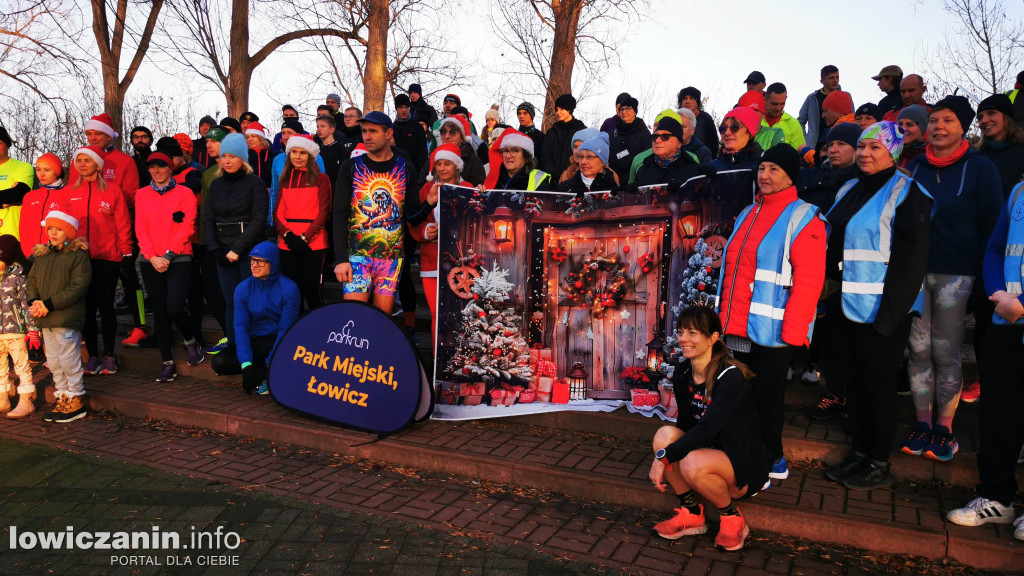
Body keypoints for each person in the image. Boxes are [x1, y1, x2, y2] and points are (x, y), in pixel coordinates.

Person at [820, 121, 933, 490]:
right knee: (856, 385)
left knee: (879, 388)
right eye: (864, 146)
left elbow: (911, 262)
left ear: (894, 153)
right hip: (847, 306)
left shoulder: (907, 192)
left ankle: (878, 461)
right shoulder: (849, 188)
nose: (866, 153)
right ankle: (860, 453)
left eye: (876, 148)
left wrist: (889, 319)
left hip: (885, 312)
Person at [717, 143, 827, 482]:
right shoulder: (748, 212)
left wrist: (795, 332)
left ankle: (772, 459)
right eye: (762, 168)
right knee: (740, 396)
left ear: (790, 176)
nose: (765, 175)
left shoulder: (804, 216)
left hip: (775, 331)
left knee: (767, 399)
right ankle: (746, 454)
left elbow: (809, 281)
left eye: (774, 170)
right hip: (738, 326)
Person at [900, 96, 1002, 461]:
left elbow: (993, 224)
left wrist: (989, 279)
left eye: (948, 120)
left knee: (945, 351)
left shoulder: (980, 167)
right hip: (915, 273)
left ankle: (945, 427)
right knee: (917, 350)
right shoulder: (913, 167)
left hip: (957, 275)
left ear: (963, 127)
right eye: (934, 121)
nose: (938, 127)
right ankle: (923, 423)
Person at [943, 179, 1024, 541]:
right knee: (999, 413)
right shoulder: (1020, 190)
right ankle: (997, 497)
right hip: (1006, 320)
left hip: (1015, 313)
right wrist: (998, 294)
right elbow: (995, 247)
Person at [649, 306, 767, 552]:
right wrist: (667, 451)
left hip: (741, 463)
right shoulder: (683, 371)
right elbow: (686, 424)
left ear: (713, 338)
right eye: (681, 332)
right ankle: (692, 512)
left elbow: (709, 427)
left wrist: (665, 457)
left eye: (693, 333)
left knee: (688, 460)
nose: (683, 339)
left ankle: (732, 518)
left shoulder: (730, 377)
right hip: (708, 452)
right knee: (664, 436)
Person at [333, 112, 416, 314]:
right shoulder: (351, 166)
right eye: (364, 131)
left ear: (389, 133)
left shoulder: (405, 168)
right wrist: (341, 259)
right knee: (352, 318)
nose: (367, 136)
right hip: (357, 257)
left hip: (391, 259)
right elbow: (339, 214)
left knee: (381, 323)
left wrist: (430, 203)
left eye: (373, 131)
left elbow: (412, 216)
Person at [135, 152, 206, 382]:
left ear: (170, 168)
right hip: (151, 259)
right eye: (152, 167)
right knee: (160, 312)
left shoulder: (185, 192)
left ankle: (190, 340)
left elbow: (187, 225)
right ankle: (167, 362)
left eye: (161, 167)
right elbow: (140, 229)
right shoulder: (142, 194)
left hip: (179, 256)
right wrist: (152, 256)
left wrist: (168, 254)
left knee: (175, 307)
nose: (156, 171)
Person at [64, 146, 132, 377]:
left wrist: (125, 253)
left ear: (98, 164)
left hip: (107, 258)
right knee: (86, 308)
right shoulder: (69, 193)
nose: (82, 164)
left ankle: (109, 355)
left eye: (87, 160)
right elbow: (63, 227)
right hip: (79, 259)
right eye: (78, 160)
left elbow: (123, 224)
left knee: (105, 306)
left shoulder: (113, 191)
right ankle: (92, 355)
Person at [203, 133, 268, 362]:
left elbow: (259, 220)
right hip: (222, 252)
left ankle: (255, 346)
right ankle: (233, 345)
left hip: (248, 252)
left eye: (232, 156)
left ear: (243, 158)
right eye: (224, 156)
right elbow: (207, 219)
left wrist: (237, 250)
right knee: (230, 301)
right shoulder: (216, 185)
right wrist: (215, 250)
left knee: (250, 301)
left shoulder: (255, 184)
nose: (227, 161)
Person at [27, 211, 92, 423]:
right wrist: (34, 302)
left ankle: (76, 396)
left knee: (69, 359)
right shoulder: (42, 255)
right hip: (46, 318)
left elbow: (78, 287)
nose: (53, 233)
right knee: (54, 361)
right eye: (50, 229)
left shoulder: (77, 256)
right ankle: (62, 395)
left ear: (69, 232)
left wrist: (49, 304)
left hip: (65, 317)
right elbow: (32, 281)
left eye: (59, 229)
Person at [212, 241, 300, 396]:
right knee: (219, 363)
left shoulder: (289, 289)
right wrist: (246, 366)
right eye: (252, 260)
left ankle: (269, 372)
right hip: (255, 340)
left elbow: (285, 330)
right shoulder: (243, 288)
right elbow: (240, 328)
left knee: (292, 353)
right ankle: (262, 369)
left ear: (272, 262)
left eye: (260, 261)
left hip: (278, 340)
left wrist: (267, 367)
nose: (254, 265)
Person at [410, 144, 466, 351]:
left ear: (457, 167)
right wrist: (426, 231)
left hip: (461, 262)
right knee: (436, 313)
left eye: (447, 164)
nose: (442, 169)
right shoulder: (427, 189)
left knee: (460, 312)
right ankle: (437, 362)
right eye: (439, 164)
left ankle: (458, 359)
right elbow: (413, 221)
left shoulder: (468, 187)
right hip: (431, 260)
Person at [274, 135, 331, 311]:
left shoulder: (321, 179)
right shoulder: (284, 179)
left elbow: (324, 212)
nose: (297, 157)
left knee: (313, 290)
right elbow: (277, 213)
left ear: (310, 156)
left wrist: (305, 238)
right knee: (292, 290)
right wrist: (288, 235)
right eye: (294, 152)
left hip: (314, 242)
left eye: (302, 153)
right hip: (288, 242)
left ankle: (317, 329)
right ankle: (294, 331)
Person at [67, 113, 140, 208]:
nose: (93, 138)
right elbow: (72, 190)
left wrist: (104, 207)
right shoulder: (79, 160)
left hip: (113, 216)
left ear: (109, 136)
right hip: (82, 217)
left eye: (98, 133)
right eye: (89, 134)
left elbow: (131, 196)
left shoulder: (125, 161)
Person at [0, 234, 36, 418]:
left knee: (22, 366)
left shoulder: (18, 279)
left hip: (16, 332)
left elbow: (26, 306)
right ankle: (2, 398)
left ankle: (26, 401)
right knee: (0, 367)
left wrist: (33, 329)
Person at [268, 119, 326, 227]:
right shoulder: (277, 160)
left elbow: (322, 193)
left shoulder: (316, 158)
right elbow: (274, 192)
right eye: (283, 133)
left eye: (289, 133)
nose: (285, 137)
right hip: (284, 221)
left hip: (310, 222)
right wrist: (272, 221)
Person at [975, 94, 1024, 200]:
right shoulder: (975, 156)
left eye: (991, 113)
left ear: (1007, 117)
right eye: (980, 117)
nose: (984, 120)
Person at [20, 154, 66, 260]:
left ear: (57, 171)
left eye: (47, 170)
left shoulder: (67, 194)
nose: (41, 174)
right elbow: (23, 228)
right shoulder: (30, 196)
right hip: (33, 255)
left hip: (59, 256)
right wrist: (29, 253)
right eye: (38, 169)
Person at [417, 115, 485, 187]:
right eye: (443, 131)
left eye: (453, 132)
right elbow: (420, 189)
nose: (447, 136)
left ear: (462, 137)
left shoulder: (473, 161)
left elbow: (478, 192)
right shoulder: (432, 159)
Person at [634, 116, 701, 187]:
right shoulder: (643, 171)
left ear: (679, 143)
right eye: (655, 136)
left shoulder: (693, 171)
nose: (657, 141)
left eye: (665, 136)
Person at [483, 129, 554, 191]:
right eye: (505, 150)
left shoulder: (540, 179)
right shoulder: (492, 177)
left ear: (526, 157)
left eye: (514, 150)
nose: (508, 155)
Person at [539, 94, 587, 177]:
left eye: (561, 109)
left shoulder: (581, 131)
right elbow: (545, 156)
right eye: (557, 109)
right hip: (552, 181)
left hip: (575, 178)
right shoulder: (552, 132)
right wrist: (553, 175)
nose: (558, 112)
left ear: (569, 110)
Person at [799, 65, 840, 155]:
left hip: (837, 142)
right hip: (815, 145)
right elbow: (801, 120)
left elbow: (851, 117)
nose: (835, 80)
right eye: (831, 78)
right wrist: (805, 139)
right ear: (822, 81)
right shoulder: (813, 98)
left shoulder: (844, 96)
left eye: (837, 77)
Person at [607, 96, 652, 179]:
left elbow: (646, 159)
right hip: (616, 181)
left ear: (635, 112)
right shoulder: (612, 135)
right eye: (622, 109)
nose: (624, 112)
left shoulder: (644, 133)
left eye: (628, 109)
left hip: (636, 180)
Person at [709, 107, 763, 171]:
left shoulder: (764, 164)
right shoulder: (712, 167)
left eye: (734, 127)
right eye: (723, 128)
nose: (727, 133)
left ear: (750, 133)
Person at [678, 87, 719, 159]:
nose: (688, 101)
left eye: (691, 98)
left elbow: (714, 144)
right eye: (685, 98)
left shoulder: (706, 119)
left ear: (697, 102)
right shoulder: (674, 119)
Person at [762, 83, 805, 150]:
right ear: (765, 100)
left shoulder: (793, 124)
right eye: (774, 104)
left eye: (782, 103)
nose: (778, 108)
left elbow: (798, 152)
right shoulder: (755, 119)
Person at [393, 94, 428, 174]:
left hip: (415, 171)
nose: (404, 110)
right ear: (396, 109)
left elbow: (423, 154)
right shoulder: (391, 128)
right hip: (396, 173)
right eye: (401, 107)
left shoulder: (417, 127)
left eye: (407, 107)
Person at [815, 90, 854, 159]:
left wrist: (805, 152)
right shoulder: (860, 130)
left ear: (838, 111)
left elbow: (820, 159)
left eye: (825, 111)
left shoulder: (831, 133)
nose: (823, 115)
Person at [244, 122, 276, 189]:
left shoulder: (273, 155)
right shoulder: (243, 155)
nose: (250, 139)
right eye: (247, 137)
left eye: (253, 136)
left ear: (261, 138)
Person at [315, 115, 344, 185]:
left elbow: (343, 172)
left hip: (334, 188)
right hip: (318, 187)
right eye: (317, 126)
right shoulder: (316, 149)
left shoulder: (340, 148)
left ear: (332, 129)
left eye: (323, 126)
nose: (319, 129)